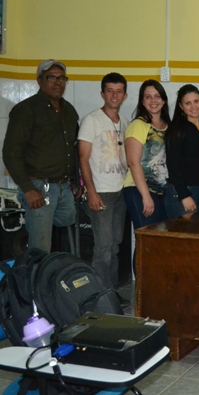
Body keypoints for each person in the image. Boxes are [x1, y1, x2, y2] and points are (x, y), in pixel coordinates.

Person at [2, 59, 78, 252]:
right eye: (51, 77)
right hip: (38, 189)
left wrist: (75, 181)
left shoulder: (68, 110)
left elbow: (73, 148)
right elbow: (11, 153)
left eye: (62, 78)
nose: (57, 82)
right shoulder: (26, 110)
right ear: (39, 80)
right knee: (40, 248)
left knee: (68, 245)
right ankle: (35, 282)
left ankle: (58, 280)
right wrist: (27, 189)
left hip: (64, 188)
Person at [77, 73, 130, 304]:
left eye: (119, 91)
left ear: (125, 95)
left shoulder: (125, 122)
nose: (114, 95)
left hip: (121, 192)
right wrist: (92, 191)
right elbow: (82, 157)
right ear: (102, 94)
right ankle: (100, 297)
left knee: (116, 245)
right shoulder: (91, 120)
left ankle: (111, 291)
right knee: (103, 248)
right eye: (110, 91)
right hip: (101, 192)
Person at [123, 80, 170, 228]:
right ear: (142, 101)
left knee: (158, 242)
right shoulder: (138, 125)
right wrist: (146, 196)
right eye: (148, 97)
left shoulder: (168, 126)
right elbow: (133, 162)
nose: (153, 101)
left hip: (162, 192)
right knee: (147, 239)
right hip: (139, 190)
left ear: (163, 100)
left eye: (157, 96)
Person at [164, 84, 199, 218]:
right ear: (181, 106)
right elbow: (172, 164)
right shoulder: (177, 129)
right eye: (188, 103)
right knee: (184, 237)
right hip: (181, 193)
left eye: (196, 101)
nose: (193, 106)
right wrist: (184, 196)